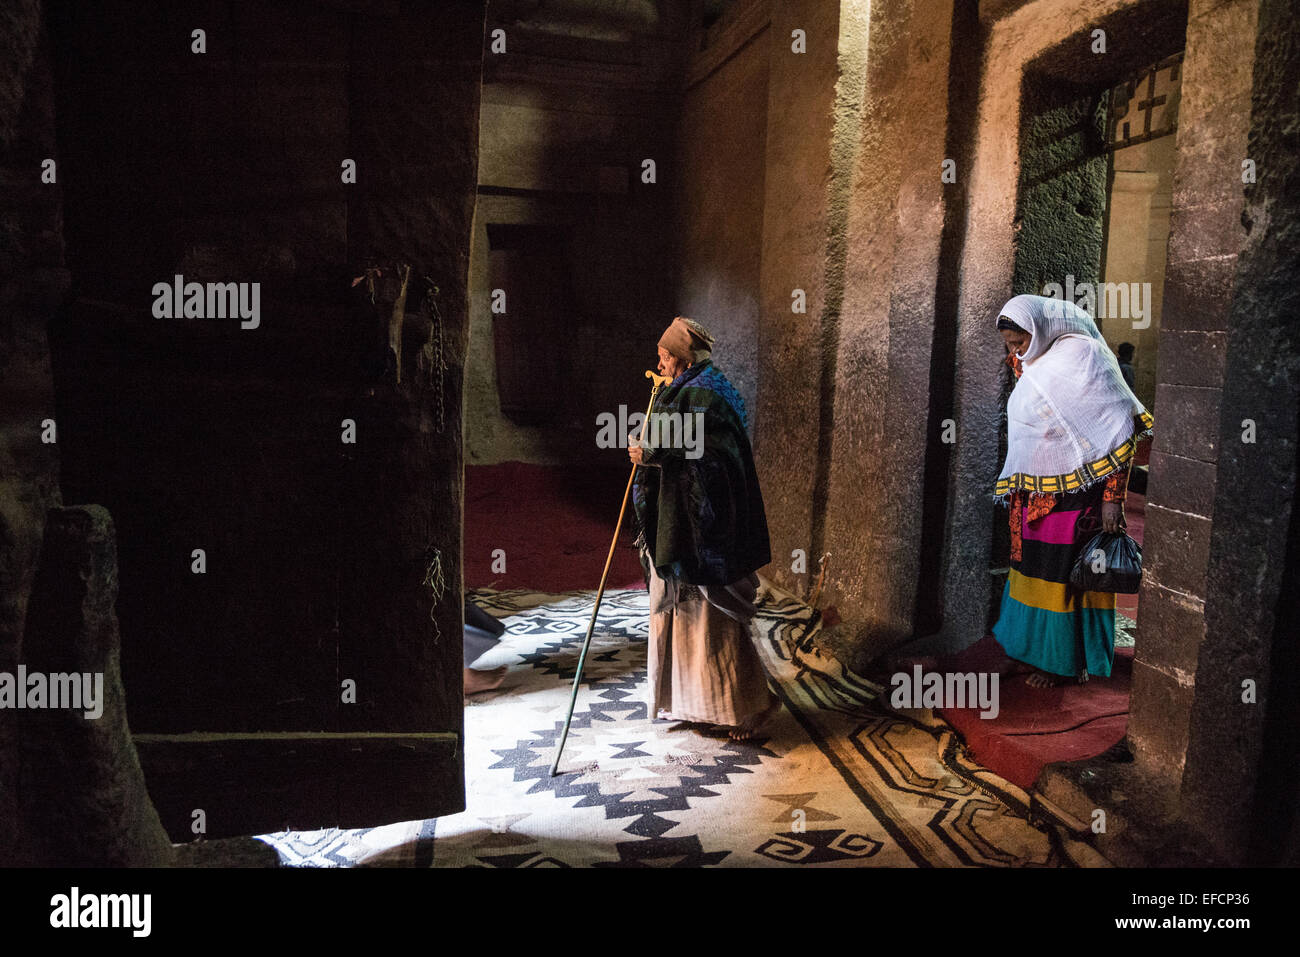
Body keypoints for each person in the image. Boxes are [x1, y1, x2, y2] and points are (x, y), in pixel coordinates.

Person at [991, 295, 1153, 688]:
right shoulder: (1031, 362)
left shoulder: (1086, 356)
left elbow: (1118, 430)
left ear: (1041, 327)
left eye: (1019, 342)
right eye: (1010, 345)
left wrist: (1113, 498)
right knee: (1029, 570)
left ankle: (1062, 662)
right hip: (1031, 496)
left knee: (1065, 578)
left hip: (1078, 499)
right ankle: (1024, 650)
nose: (1015, 352)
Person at [630, 316, 779, 740]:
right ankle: (694, 705)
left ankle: (747, 708)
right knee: (682, 613)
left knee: (714, 618)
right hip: (680, 518)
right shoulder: (683, 387)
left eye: (663, 357)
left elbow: (713, 453)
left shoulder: (708, 394)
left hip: (706, 524)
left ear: (680, 358)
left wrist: (653, 451)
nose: (658, 363)